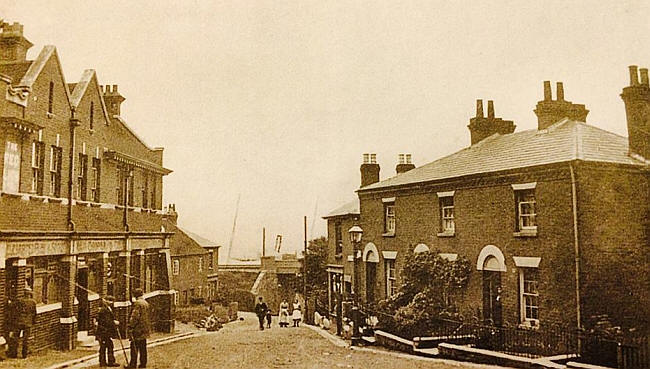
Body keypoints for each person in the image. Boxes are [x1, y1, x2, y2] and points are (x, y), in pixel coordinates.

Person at [7, 289, 37, 359]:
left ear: (24, 294)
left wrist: (9, 302)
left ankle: (14, 354)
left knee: (16, 338)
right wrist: (33, 322)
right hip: (28, 323)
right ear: (29, 294)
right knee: (25, 339)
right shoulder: (33, 302)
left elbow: (11, 306)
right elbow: (34, 313)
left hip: (19, 322)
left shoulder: (20, 301)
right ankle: (24, 355)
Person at [126, 288, 151, 369]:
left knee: (134, 347)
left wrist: (130, 325)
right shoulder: (146, 303)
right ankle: (143, 364)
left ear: (135, 295)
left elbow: (135, 316)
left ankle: (132, 365)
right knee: (143, 347)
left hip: (137, 329)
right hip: (145, 329)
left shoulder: (137, 303)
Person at [96, 295, 120, 367]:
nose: (111, 302)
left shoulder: (108, 309)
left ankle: (107, 361)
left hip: (106, 332)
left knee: (108, 346)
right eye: (110, 300)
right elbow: (106, 321)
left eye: (112, 301)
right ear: (106, 301)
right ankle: (105, 362)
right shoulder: (104, 310)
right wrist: (114, 322)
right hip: (103, 332)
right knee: (105, 346)